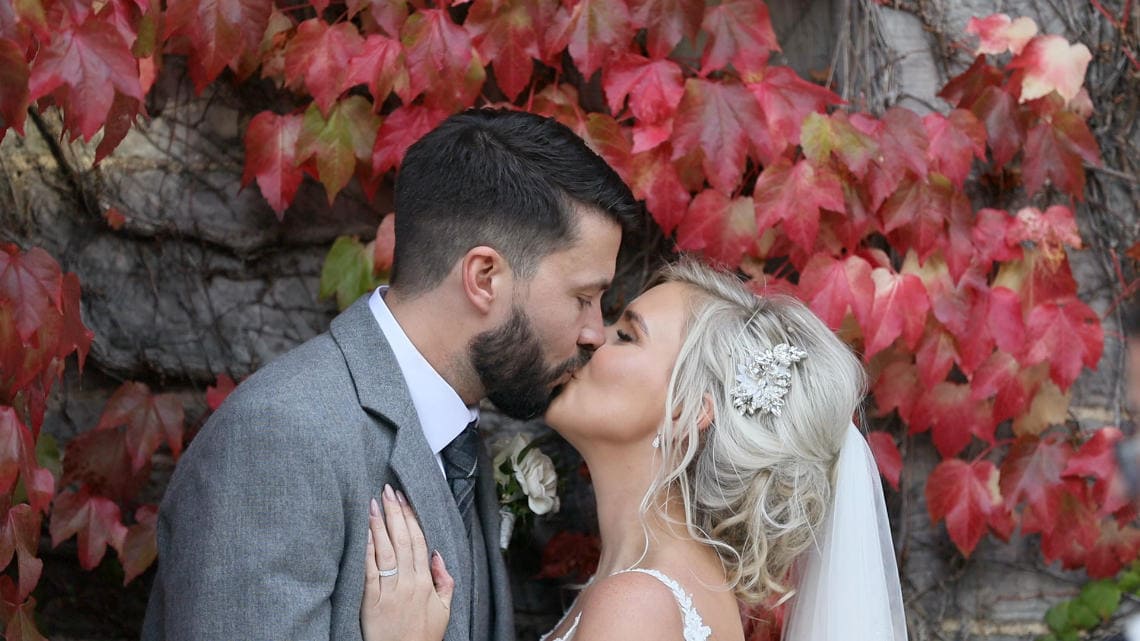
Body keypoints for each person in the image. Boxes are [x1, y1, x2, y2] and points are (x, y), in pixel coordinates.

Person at [142, 108, 641, 641]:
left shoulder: (458, 442)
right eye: (583, 297)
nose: (594, 330)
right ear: (484, 277)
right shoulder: (281, 439)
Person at [362, 260, 908, 641]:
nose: (594, 337)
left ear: (686, 410)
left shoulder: (637, 606)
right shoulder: (665, 591)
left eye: (628, 335)